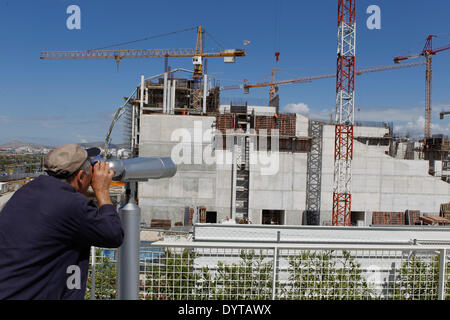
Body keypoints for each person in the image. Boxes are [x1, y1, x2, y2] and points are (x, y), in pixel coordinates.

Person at [0, 144, 124, 300]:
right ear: (80, 176)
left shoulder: (26, 191)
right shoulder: (71, 204)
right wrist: (102, 191)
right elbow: (113, 234)